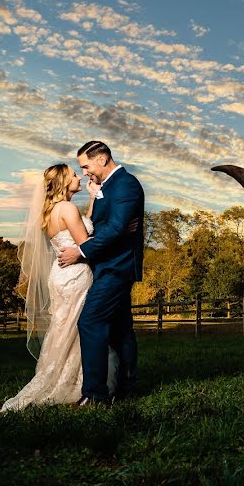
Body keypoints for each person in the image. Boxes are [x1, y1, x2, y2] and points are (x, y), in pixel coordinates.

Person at [1, 164, 116, 411]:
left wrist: (94, 198)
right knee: (81, 326)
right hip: (75, 274)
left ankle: (59, 375)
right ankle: (77, 382)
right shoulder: (68, 208)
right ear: (64, 181)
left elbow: (80, 227)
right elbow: (86, 242)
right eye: (74, 175)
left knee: (65, 325)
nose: (79, 176)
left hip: (60, 274)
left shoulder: (52, 210)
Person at [58, 141, 145, 405]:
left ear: (103, 159)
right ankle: (126, 388)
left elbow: (116, 228)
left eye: (86, 166)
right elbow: (110, 225)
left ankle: (95, 395)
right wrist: (97, 196)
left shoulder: (126, 184)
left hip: (116, 267)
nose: (84, 172)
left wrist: (81, 251)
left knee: (90, 322)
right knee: (120, 329)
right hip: (109, 264)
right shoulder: (110, 187)